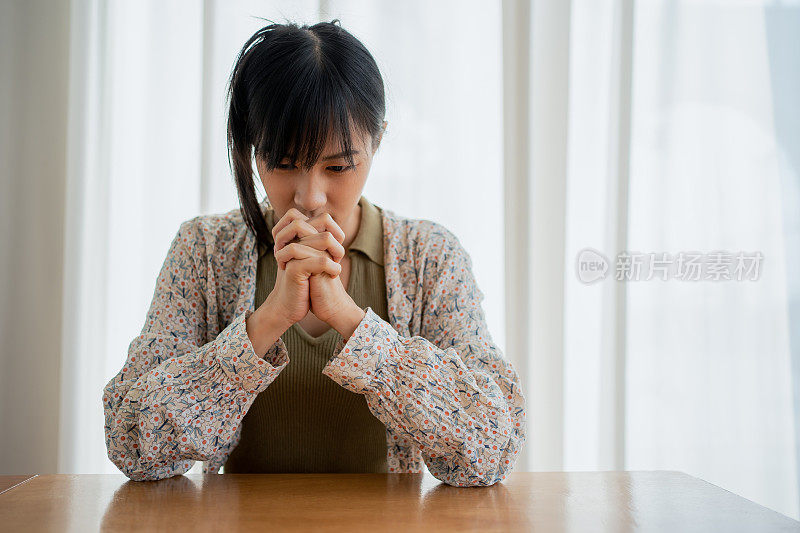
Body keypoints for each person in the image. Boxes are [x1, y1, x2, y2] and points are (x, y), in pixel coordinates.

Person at [102, 19, 526, 487]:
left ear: (378, 140)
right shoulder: (204, 251)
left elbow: (492, 445)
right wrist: (266, 322)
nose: (310, 197)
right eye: (282, 164)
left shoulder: (428, 255)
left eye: (339, 166)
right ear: (251, 150)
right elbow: (131, 441)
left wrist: (351, 321)